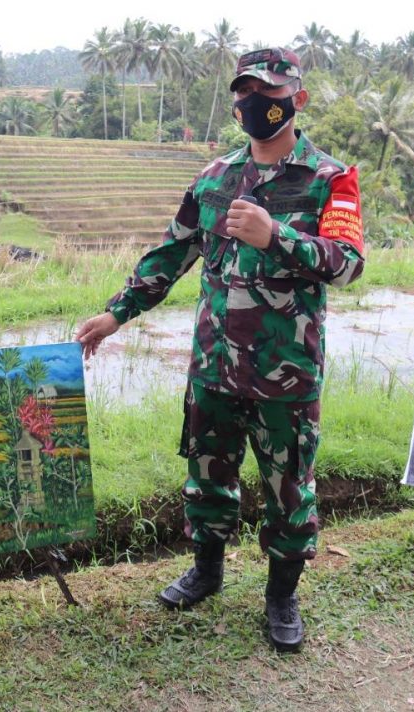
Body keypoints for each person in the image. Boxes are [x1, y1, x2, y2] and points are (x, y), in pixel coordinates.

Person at [76, 47, 365, 651]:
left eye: (269, 92)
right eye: (245, 92)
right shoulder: (214, 178)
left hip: (286, 376)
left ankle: (281, 598)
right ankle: (207, 571)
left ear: (297, 100)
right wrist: (115, 313)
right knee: (207, 478)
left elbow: (347, 264)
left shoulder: (329, 178)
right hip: (214, 368)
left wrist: (278, 235)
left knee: (290, 489)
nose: (255, 103)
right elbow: (170, 255)